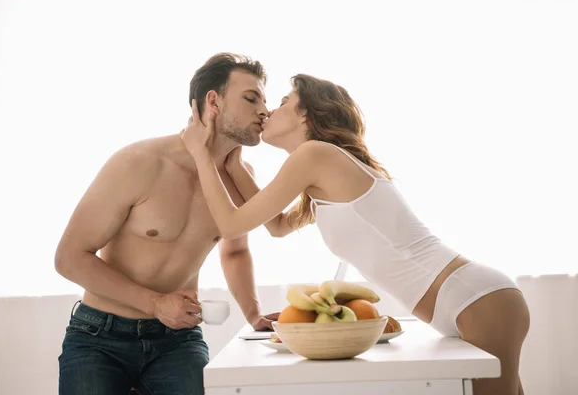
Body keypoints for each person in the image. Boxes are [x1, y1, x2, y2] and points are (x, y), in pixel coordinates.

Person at [181, 73, 531, 395]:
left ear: (306, 115)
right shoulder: (323, 168)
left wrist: (201, 155)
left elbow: (230, 225)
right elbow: (277, 227)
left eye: (285, 101)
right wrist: (233, 165)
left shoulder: (315, 155)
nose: (271, 109)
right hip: (473, 300)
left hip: (477, 300)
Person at [54, 52, 279, 395]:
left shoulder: (238, 177)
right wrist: (156, 304)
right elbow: (69, 257)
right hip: (99, 338)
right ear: (213, 101)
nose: (264, 111)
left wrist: (255, 314)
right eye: (251, 98)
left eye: (265, 100)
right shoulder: (140, 163)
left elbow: (235, 252)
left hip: (177, 341)